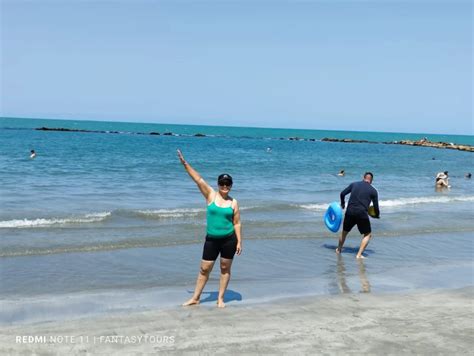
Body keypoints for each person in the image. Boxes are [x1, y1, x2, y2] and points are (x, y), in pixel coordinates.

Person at [177, 149, 242, 308]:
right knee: (204, 268)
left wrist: (239, 241)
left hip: (229, 239)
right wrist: (185, 164)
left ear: (231, 186)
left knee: (225, 268)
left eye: (228, 184)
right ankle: (196, 297)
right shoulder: (211, 195)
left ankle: (220, 298)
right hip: (212, 239)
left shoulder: (233, 202)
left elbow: (237, 223)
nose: (225, 186)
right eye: (222, 183)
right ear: (218, 184)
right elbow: (198, 179)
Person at [336, 172, 380, 259]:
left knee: (344, 232)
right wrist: (376, 215)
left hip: (350, 212)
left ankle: (339, 249)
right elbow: (376, 207)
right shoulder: (373, 191)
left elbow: (342, 193)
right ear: (371, 180)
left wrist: (343, 204)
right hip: (362, 214)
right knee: (367, 234)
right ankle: (359, 255)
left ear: (363, 177)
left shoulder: (354, 184)